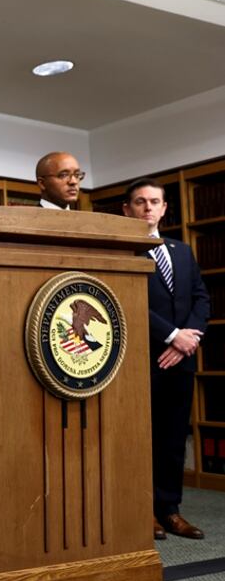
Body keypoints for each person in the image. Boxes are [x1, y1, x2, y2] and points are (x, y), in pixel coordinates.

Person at [122, 178, 210, 541]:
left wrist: (187, 340)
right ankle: (144, 512)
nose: (147, 208)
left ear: (164, 208)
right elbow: (128, 302)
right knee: (143, 438)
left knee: (174, 438)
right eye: (140, 202)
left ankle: (170, 510)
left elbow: (201, 298)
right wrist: (172, 336)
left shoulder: (182, 250)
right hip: (144, 359)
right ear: (127, 210)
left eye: (154, 202)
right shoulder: (122, 251)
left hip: (182, 361)